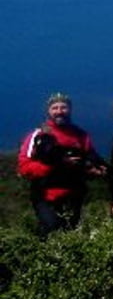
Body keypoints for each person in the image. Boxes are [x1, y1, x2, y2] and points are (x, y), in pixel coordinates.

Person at [17, 93, 108, 236]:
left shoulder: (81, 136)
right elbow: (24, 167)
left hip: (74, 196)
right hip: (46, 196)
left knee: (71, 235)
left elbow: (90, 160)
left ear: (70, 110)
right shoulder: (38, 135)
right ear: (48, 111)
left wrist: (96, 171)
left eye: (63, 107)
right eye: (55, 108)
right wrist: (58, 164)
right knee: (52, 231)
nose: (59, 111)